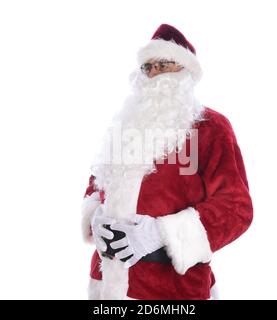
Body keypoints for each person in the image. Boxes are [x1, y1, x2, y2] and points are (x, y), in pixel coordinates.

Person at [81, 24, 253, 300]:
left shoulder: (211, 128)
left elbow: (236, 209)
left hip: (173, 290)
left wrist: (158, 234)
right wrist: (95, 216)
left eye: (164, 64)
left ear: (185, 72)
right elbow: (96, 182)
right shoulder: (125, 126)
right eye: (149, 67)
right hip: (108, 285)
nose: (155, 73)